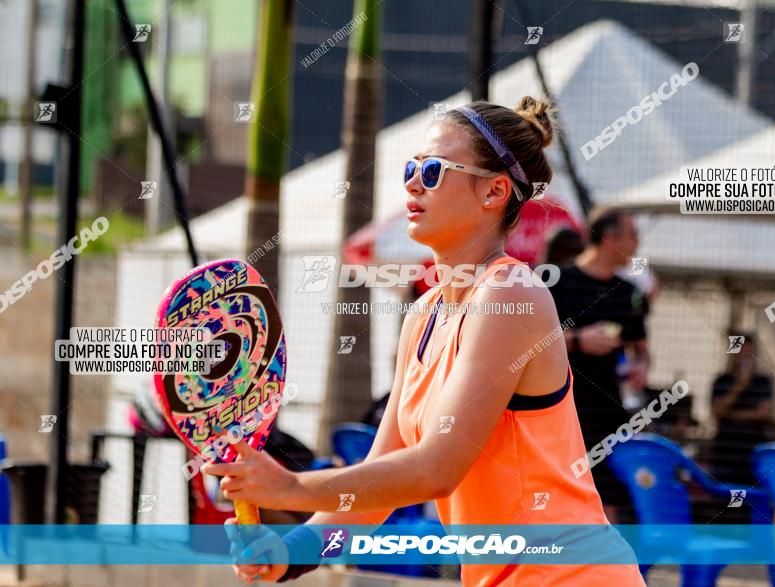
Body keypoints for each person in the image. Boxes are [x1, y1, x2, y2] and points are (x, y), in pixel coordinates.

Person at [204, 97, 645, 585]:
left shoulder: (509, 294)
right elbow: (382, 484)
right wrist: (290, 553)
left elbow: (436, 469)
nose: (413, 182)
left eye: (433, 170)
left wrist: (290, 488)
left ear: (494, 191)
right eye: (411, 168)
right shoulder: (424, 314)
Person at [548, 207, 650, 523]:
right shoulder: (555, 281)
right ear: (609, 239)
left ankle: (602, 568)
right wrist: (577, 339)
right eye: (632, 235)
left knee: (608, 499)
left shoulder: (629, 293)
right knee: (555, 496)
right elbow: (524, 343)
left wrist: (641, 368)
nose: (637, 244)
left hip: (607, 414)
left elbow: (642, 349)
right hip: (557, 409)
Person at [711, 334, 775, 485]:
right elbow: (717, 411)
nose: (745, 356)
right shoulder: (722, 380)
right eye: (741, 351)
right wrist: (739, 386)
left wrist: (732, 415)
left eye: (749, 351)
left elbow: (764, 414)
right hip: (725, 453)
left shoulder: (763, 382)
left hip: (753, 451)